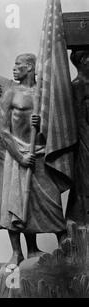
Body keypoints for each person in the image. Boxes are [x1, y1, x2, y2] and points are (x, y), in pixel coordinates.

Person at [0, 54, 66, 265]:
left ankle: (67, 249)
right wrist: (20, 157)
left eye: (19, 65)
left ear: (30, 67)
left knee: (51, 202)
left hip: (40, 152)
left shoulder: (44, 94)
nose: (14, 68)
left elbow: (60, 127)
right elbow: (3, 130)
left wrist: (43, 123)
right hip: (18, 153)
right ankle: (17, 252)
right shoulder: (10, 95)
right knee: (16, 206)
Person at [0, 72, 43, 264]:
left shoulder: (6, 101)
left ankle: (32, 248)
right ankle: (6, 253)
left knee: (23, 204)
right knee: (1, 209)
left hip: (17, 157)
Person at [66, 50, 89, 226]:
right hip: (84, 140)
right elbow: (80, 119)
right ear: (84, 60)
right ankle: (83, 219)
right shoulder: (77, 86)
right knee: (84, 181)